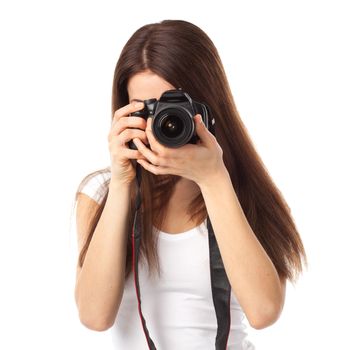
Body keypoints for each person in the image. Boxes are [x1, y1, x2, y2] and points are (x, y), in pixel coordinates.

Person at [73, 19, 308, 350]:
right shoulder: (101, 193)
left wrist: (214, 180)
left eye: (173, 107)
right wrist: (123, 182)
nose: (161, 124)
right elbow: (94, 316)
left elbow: (264, 311)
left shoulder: (241, 191)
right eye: (145, 110)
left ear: (208, 108)